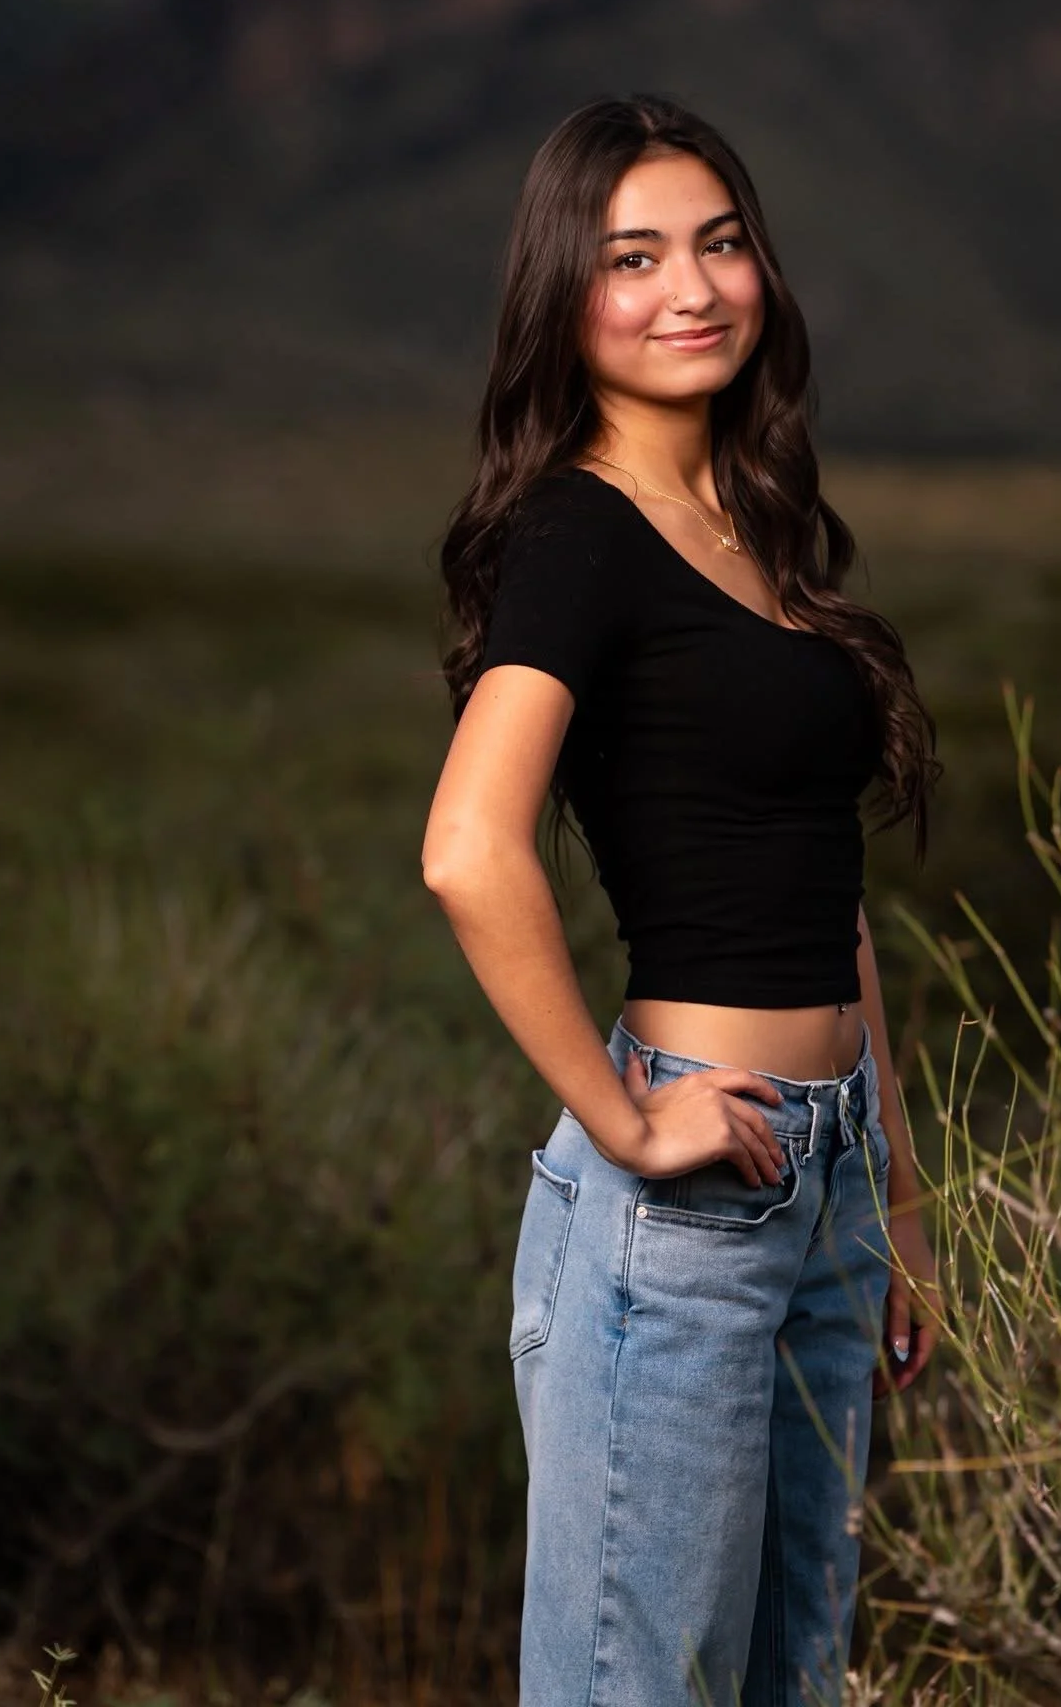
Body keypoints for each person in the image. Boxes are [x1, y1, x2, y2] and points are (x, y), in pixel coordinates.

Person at [424, 94, 942, 1707]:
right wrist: (625, 1119)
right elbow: (466, 844)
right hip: (689, 1195)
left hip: (828, 1177)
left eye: (718, 243)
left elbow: (823, 890)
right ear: (563, 298)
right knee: (630, 1684)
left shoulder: (758, 531)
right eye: (632, 255)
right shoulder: (575, 533)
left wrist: (899, 1196)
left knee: (797, 1672)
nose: (691, 287)